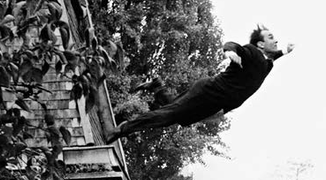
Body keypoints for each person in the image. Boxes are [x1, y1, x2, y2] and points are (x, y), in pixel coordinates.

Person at [107, 25, 295, 141]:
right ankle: (121, 129)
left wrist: (284, 51)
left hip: (217, 105)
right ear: (260, 44)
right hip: (208, 92)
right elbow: (234, 45)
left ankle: (156, 86)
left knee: (178, 114)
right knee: (169, 116)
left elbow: (270, 59)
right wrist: (229, 52)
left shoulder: (267, 64)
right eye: (271, 37)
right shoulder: (252, 52)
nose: (276, 39)